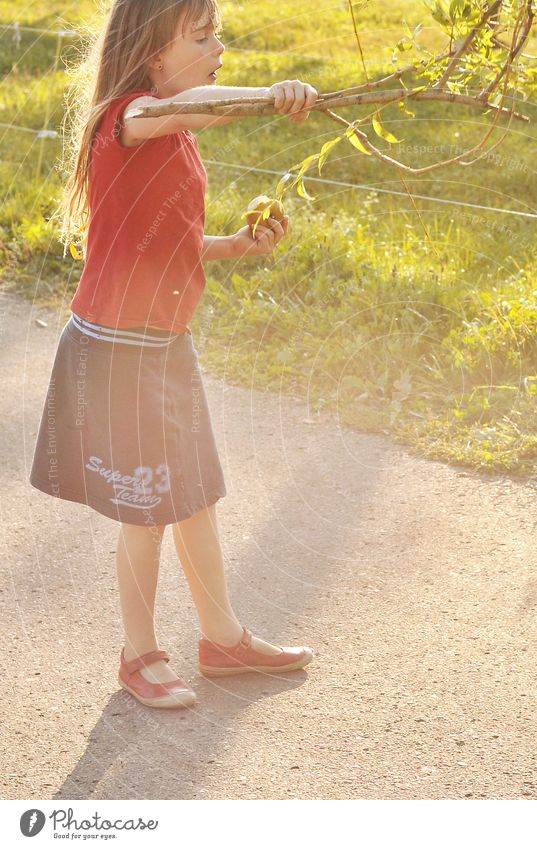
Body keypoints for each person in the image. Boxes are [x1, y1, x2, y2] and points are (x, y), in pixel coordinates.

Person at [29, 0, 318, 709]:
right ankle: (139, 653)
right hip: (118, 349)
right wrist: (267, 98)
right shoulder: (128, 119)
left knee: (192, 495)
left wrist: (232, 246)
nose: (220, 46)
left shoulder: (176, 132)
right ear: (154, 58)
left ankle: (221, 636)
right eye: (201, 36)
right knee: (146, 508)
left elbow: (166, 239)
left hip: (165, 342)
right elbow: (204, 111)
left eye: (219, 32)